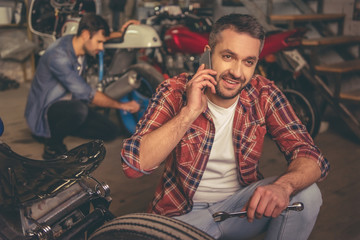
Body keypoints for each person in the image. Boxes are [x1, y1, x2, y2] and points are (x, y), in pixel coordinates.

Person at [121, 14, 330, 239]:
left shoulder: (263, 93)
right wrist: (189, 113)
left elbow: (311, 156)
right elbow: (133, 166)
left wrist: (284, 187)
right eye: (228, 56)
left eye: (248, 62)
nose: (237, 73)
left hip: (241, 210)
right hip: (183, 215)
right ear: (208, 53)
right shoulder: (174, 90)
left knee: (307, 194)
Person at [25, 13, 140, 160]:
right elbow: (87, 94)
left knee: (110, 131)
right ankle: (52, 145)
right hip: (46, 111)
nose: (102, 47)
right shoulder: (58, 56)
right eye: (99, 42)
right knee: (79, 110)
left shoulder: (78, 40)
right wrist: (123, 106)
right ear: (86, 35)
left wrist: (124, 32)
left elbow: (104, 35)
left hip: (70, 105)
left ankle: (67, 127)